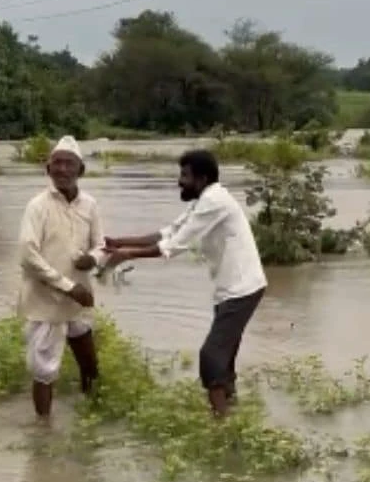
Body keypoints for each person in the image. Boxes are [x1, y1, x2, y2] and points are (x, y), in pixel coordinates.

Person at [102, 149, 267, 417]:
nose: (179, 181)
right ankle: (232, 410)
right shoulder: (203, 200)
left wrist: (127, 255)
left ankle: (221, 424)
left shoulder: (214, 202)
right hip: (232, 289)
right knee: (225, 356)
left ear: (201, 179)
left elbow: (175, 245)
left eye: (184, 176)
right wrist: (121, 242)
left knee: (211, 357)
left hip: (242, 290)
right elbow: (168, 232)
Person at [16, 135, 104, 419]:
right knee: (45, 372)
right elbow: (28, 257)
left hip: (78, 299)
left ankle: (92, 417)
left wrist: (94, 258)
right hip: (46, 302)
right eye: (57, 164)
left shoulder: (89, 205)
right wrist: (68, 287)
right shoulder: (37, 206)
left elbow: (101, 244)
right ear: (48, 169)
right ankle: (44, 434)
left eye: (69, 164)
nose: (63, 170)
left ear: (81, 170)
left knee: (90, 364)